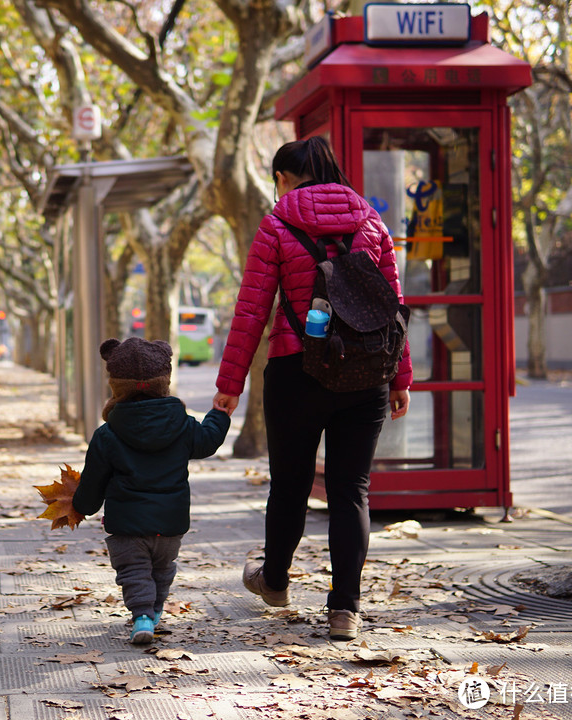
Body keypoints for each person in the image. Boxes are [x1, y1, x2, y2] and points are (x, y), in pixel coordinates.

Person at [212, 136, 412, 642]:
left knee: (290, 484)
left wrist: (229, 385)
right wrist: (399, 377)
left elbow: (253, 308)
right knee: (351, 492)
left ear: (284, 177)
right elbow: (392, 304)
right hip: (364, 373)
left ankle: (275, 582)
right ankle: (345, 609)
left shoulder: (278, 222)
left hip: (295, 368)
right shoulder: (371, 221)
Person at [72, 337, 230, 644]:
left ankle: (142, 615)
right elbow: (208, 440)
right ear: (164, 381)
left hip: (127, 526)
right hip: (170, 524)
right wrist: (219, 414)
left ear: (116, 384)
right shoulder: (182, 425)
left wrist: (82, 505)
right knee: (162, 568)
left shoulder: (107, 434)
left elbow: (93, 482)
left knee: (133, 572)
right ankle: (154, 611)